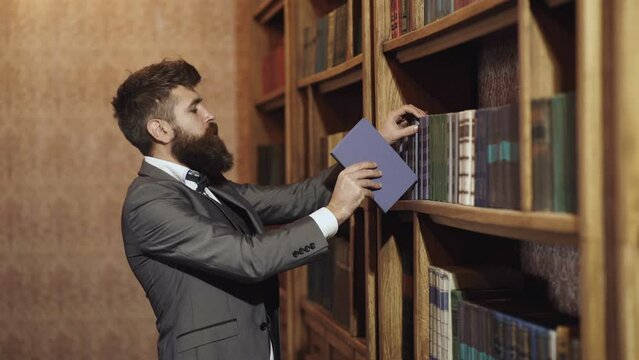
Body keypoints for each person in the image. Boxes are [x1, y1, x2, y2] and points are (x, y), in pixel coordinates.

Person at [112, 59, 425, 360]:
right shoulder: (149, 203)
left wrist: (376, 142)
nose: (210, 115)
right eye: (194, 109)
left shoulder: (206, 183)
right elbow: (249, 258)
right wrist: (336, 212)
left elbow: (297, 198)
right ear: (160, 130)